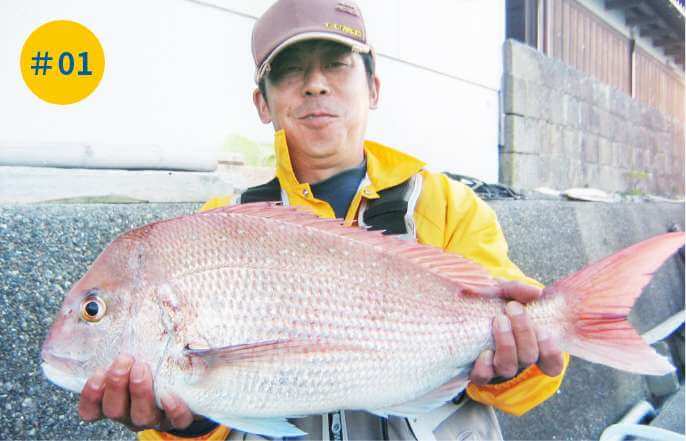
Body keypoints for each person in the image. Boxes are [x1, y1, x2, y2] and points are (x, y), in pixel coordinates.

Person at [77, 0, 569, 439]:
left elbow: (534, 374)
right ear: (262, 103)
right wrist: (187, 426)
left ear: (372, 87)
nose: (315, 84)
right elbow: (200, 402)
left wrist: (516, 367)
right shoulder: (214, 228)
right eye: (290, 71)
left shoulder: (447, 206)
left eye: (337, 65)